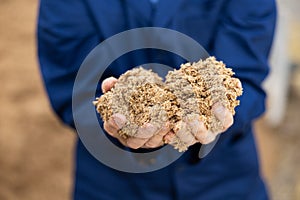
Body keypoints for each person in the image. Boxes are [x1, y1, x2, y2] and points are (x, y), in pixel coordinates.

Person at [37, 0, 276, 199]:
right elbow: (72, 86)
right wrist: (114, 119)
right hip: (114, 184)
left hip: (224, 179)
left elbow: (244, 74)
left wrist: (221, 109)